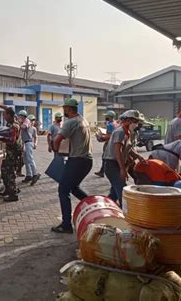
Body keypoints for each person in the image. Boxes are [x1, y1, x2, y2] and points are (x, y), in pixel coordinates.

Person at [51, 98, 93, 233]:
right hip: (86, 161)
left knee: (63, 190)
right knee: (73, 188)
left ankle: (66, 225)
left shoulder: (71, 122)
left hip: (77, 161)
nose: (64, 112)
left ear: (68, 109)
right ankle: (92, 206)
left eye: (65, 109)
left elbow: (57, 139)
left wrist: (56, 152)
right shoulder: (83, 120)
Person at [103, 110, 145, 206]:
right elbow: (118, 151)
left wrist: (138, 156)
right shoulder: (120, 131)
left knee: (114, 194)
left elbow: (128, 148)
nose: (136, 124)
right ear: (128, 120)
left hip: (116, 165)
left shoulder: (127, 132)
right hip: (112, 165)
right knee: (123, 192)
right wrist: (122, 169)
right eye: (135, 121)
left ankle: (104, 207)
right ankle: (126, 216)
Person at [0, 104, 21, 202]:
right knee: (4, 170)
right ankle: (8, 189)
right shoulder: (13, 119)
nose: (4, 116)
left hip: (13, 152)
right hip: (9, 152)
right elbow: (8, 109)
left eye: (5, 115)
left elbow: (11, 140)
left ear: (9, 115)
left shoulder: (14, 126)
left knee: (10, 172)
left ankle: (13, 194)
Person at [19, 110, 40, 186]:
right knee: (25, 160)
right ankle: (29, 175)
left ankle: (35, 173)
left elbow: (24, 127)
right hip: (25, 142)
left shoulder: (26, 121)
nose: (19, 117)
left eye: (20, 116)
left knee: (30, 159)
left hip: (28, 142)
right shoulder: (24, 121)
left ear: (23, 116)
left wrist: (18, 123)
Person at [94, 110, 117, 178]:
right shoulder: (115, 123)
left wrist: (101, 137)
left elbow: (109, 135)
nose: (105, 117)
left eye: (107, 116)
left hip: (109, 143)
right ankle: (102, 171)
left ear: (110, 117)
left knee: (105, 157)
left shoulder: (110, 125)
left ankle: (104, 171)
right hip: (113, 143)